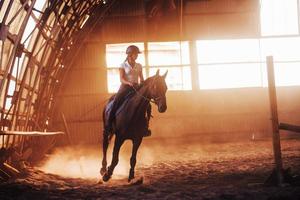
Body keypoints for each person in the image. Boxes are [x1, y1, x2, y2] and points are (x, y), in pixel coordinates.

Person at [107, 45, 152, 136]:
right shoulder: (123, 65)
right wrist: (128, 83)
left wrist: (144, 84)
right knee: (116, 102)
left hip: (136, 87)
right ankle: (109, 126)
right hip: (125, 87)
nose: (137, 56)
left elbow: (141, 79)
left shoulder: (139, 66)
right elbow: (121, 79)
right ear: (130, 55)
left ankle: (145, 127)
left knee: (148, 105)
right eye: (136, 54)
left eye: (137, 54)